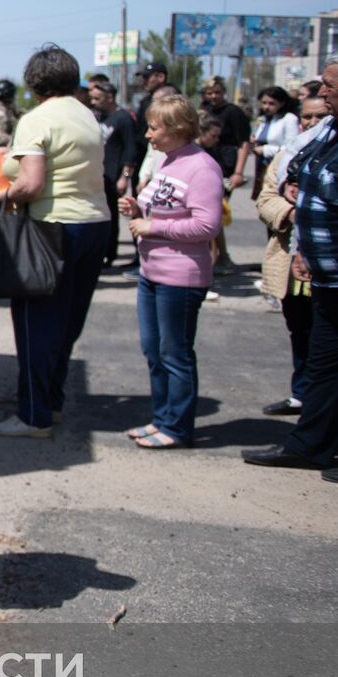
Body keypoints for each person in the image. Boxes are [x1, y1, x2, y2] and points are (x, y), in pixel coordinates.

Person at [243, 47, 338, 488]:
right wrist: (303, 249)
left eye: (330, 86)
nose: (321, 92)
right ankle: (309, 445)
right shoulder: (331, 131)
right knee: (325, 366)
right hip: (325, 275)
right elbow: (297, 176)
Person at [0, 44, 113, 438]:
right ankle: (52, 401)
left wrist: (2, 196)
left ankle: (33, 415)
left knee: (36, 323)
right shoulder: (87, 115)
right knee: (68, 321)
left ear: (34, 81)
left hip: (52, 228)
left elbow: (31, 183)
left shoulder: (36, 119)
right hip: (95, 224)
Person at [118, 95, 224, 448]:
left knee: (175, 353)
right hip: (152, 272)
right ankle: (162, 418)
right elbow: (161, 211)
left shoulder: (202, 167)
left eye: (154, 127)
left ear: (177, 129)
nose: (148, 134)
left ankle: (177, 427)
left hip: (181, 277)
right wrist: (135, 210)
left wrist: (152, 227)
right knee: (154, 350)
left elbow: (206, 226)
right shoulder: (169, 161)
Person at [254, 95, 329, 416]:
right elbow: (265, 199)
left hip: (328, 264)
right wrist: (292, 213)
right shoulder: (288, 155)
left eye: (320, 116)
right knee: (299, 330)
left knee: (330, 339)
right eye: (307, 117)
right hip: (289, 261)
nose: (312, 123)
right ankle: (302, 394)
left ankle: (331, 410)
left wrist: (311, 209)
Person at [199, 76, 252, 272]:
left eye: (217, 92)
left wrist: (238, 172)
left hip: (225, 167)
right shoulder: (205, 111)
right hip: (207, 163)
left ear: (224, 92)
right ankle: (219, 257)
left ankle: (218, 258)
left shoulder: (233, 112)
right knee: (212, 214)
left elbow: (243, 144)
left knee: (215, 213)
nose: (213, 96)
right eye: (210, 93)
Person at [90, 80, 138, 266]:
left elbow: (130, 151)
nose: (93, 102)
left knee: (110, 216)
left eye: (97, 98)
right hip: (98, 175)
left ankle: (109, 254)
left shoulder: (124, 118)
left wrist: (124, 178)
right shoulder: (98, 117)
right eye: (92, 98)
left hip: (114, 176)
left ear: (110, 97)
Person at [250, 86, 300, 200]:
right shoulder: (264, 119)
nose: (266, 107)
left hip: (278, 167)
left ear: (282, 103)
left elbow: (291, 147)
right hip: (262, 166)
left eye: (271, 103)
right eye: (264, 103)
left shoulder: (289, 119)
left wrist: (265, 150)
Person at [129, 61, 170, 188]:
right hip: (145, 160)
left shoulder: (173, 103)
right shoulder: (144, 102)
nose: (144, 81)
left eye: (147, 77)